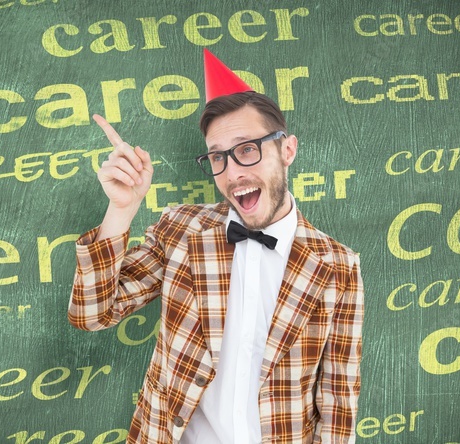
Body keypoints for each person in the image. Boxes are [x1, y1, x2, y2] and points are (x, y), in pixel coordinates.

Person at [69, 49, 364, 443]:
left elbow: (338, 403)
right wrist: (121, 210)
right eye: (217, 158)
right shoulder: (182, 231)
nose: (234, 173)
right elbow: (91, 314)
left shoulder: (338, 266)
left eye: (247, 149)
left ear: (287, 150)